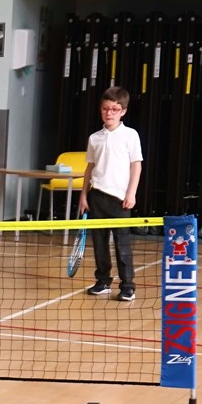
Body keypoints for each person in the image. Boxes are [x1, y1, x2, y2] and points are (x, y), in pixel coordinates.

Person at [79, 85, 143, 302]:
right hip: (97, 197)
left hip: (120, 199)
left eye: (114, 109)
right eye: (106, 108)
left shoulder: (130, 135)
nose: (109, 113)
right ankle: (103, 281)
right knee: (99, 243)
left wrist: (131, 193)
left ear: (123, 111)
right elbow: (89, 169)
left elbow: (136, 166)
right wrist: (83, 196)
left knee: (122, 245)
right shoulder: (94, 138)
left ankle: (127, 285)